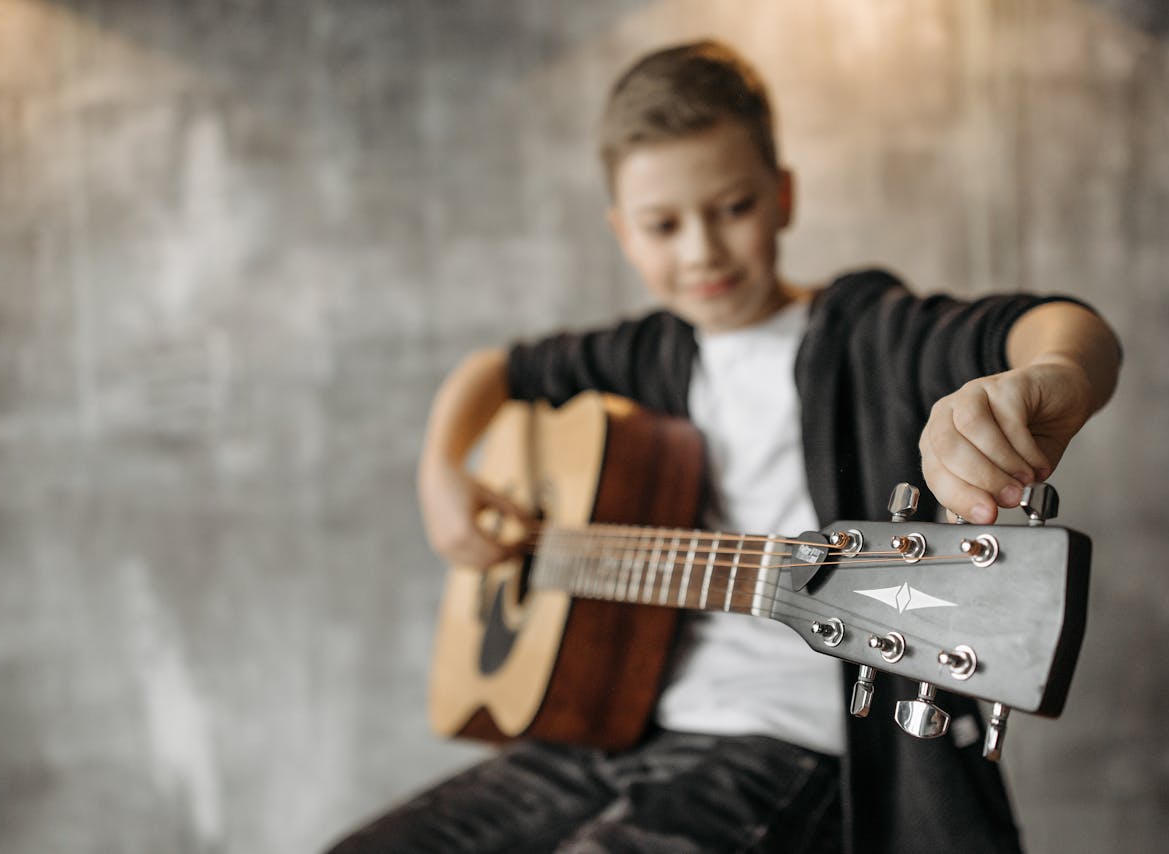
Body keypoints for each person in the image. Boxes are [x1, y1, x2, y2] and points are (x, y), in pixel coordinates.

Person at [327, 40, 1121, 854]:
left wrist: (1051, 374)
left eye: (732, 207)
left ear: (782, 196)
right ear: (622, 234)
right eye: (663, 225)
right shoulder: (649, 354)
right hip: (613, 724)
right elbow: (494, 370)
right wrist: (440, 474)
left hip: (788, 737)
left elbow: (1060, 329)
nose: (701, 249)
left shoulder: (867, 334)